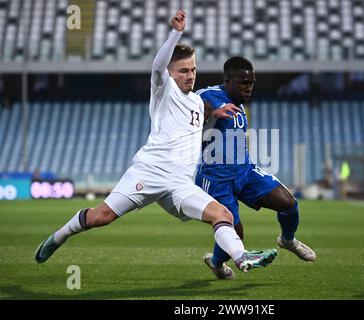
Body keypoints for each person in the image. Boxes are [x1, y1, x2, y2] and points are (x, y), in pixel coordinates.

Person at [34, 11, 277, 273]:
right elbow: (157, 66)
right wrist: (176, 33)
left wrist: (213, 116)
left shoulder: (197, 100)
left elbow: (193, 127)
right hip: (149, 172)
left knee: (223, 215)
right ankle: (59, 236)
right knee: (100, 217)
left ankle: (242, 258)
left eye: (193, 69)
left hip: (180, 183)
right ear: (170, 74)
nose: (190, 75)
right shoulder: (164, 89)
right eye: (183, 71)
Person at [195, 56, 316, 280]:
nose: (248, 88)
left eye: (251, 83)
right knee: (235, 233)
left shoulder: (239, 101)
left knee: (288, 203)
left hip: (245, 171)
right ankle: (216, 263)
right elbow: (193, 114)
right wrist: (210, 113)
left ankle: (287, 240)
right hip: (216, 179)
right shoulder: (207, 96)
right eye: (243, 83)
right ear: (228, 80)